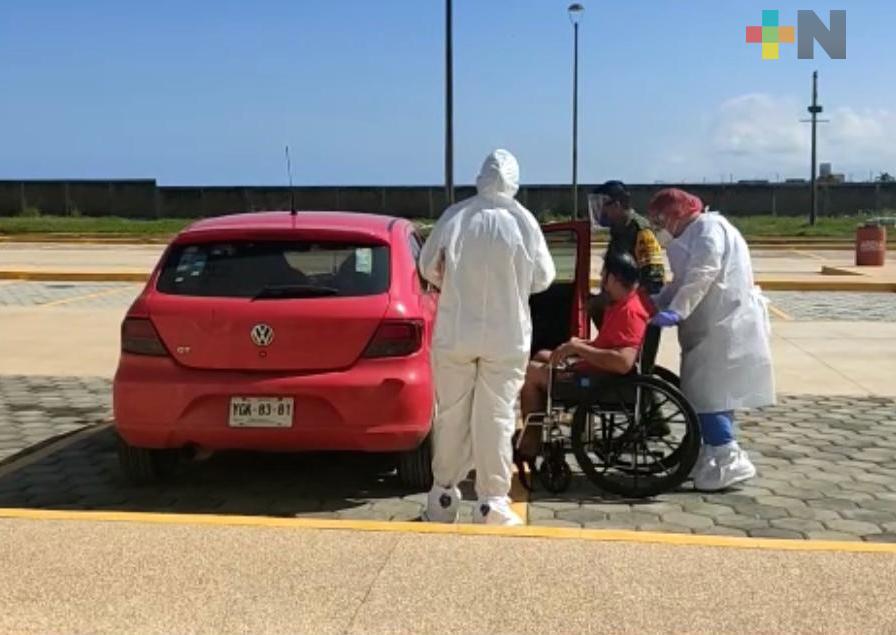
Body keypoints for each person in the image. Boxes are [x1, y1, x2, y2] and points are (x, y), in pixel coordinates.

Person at [418, 149, 556, 526]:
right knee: (495, 415)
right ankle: (491, 503)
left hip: (456, 330)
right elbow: (544, 278)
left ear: (480, 177)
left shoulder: (456, 216)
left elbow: (428, 266)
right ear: (514, 181)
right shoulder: (523, 221)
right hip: (506, 334)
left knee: (450, 413)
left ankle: (442, 497)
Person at [646, 188, 774, 492]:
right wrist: (658, 301)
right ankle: (712, 457)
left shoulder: (708, 228)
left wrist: (676, 310)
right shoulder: (693, 233)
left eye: (660, 219)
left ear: (677, 213)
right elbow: (682, 280)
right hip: (711, 328)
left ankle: (729, 458)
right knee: (708, 393)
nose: (659, 227)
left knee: (709, 393)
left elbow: (704, 272)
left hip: (724, 328)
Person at [521, 252, 649, 424]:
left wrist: (578, 349)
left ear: (613, 278)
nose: (603, 285)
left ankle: (530, 444)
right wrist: (579, 344)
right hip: (598, 372)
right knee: (542, 355)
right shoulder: (623, 304)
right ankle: (539, 426)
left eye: (604, 277)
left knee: (531, 372)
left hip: (598, 382)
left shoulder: (629, 312)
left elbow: (623, 362)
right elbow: (609, 345)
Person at [587, 180, 665, 328]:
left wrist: (614, 298)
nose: (602, 213)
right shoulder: (618, 229)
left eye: (604, 207)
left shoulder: (641, 230)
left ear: (616, 205)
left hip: (637, 314)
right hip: (620, 310)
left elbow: (653, 281)